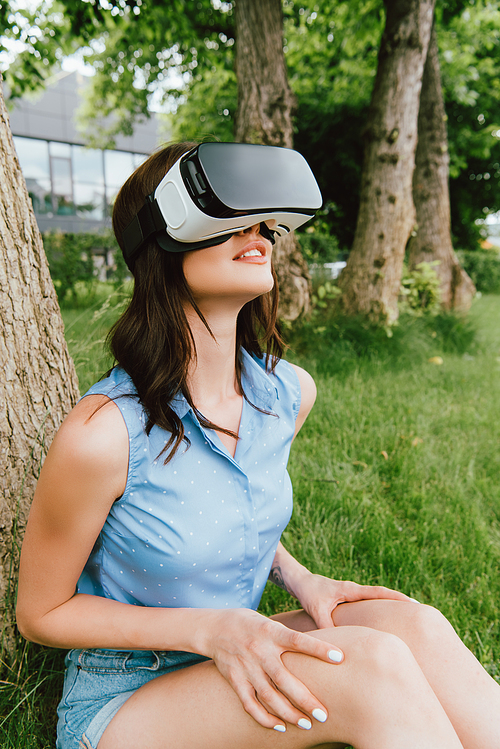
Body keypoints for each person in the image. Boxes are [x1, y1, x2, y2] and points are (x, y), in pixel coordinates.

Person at [16, 141, 500, 749]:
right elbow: (41, 614)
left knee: (415, 628)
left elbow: (232, 513)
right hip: (128, 697)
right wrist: (211, 631)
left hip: (236, 647)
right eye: (227, 217)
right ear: (163, 240)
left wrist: (300, 578)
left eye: (263, 221)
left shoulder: (286, 395)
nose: (260, 233)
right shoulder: (103, 434)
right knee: (371, 669)